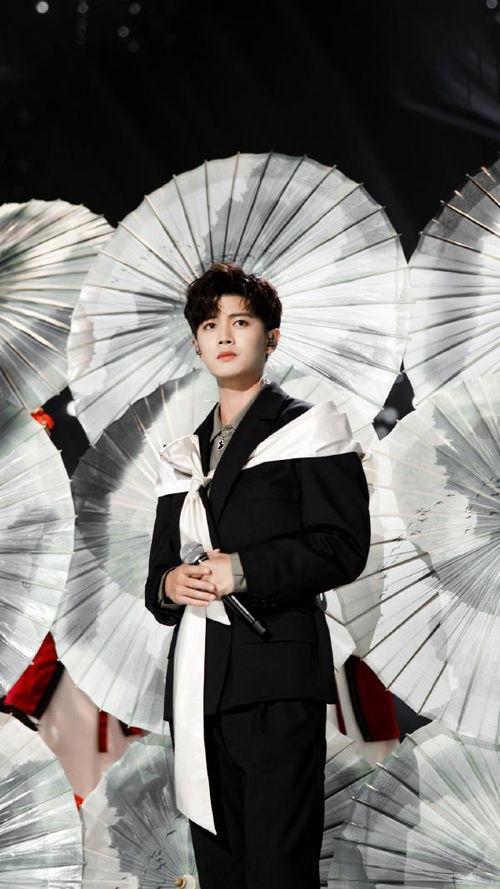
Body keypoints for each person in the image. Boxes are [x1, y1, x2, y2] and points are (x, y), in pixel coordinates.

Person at [144, 261, 371, 889]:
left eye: (240, 321)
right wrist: (170, 585)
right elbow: (158, 573)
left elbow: (342, 547)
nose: (223, 334)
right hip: (199, 686)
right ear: (196, 343)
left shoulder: (309, 427)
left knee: (277, 869)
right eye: (209, 325)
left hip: (276, 677)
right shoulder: (184, 454)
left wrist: (242, 569)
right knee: (219, 870)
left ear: (271, 337)